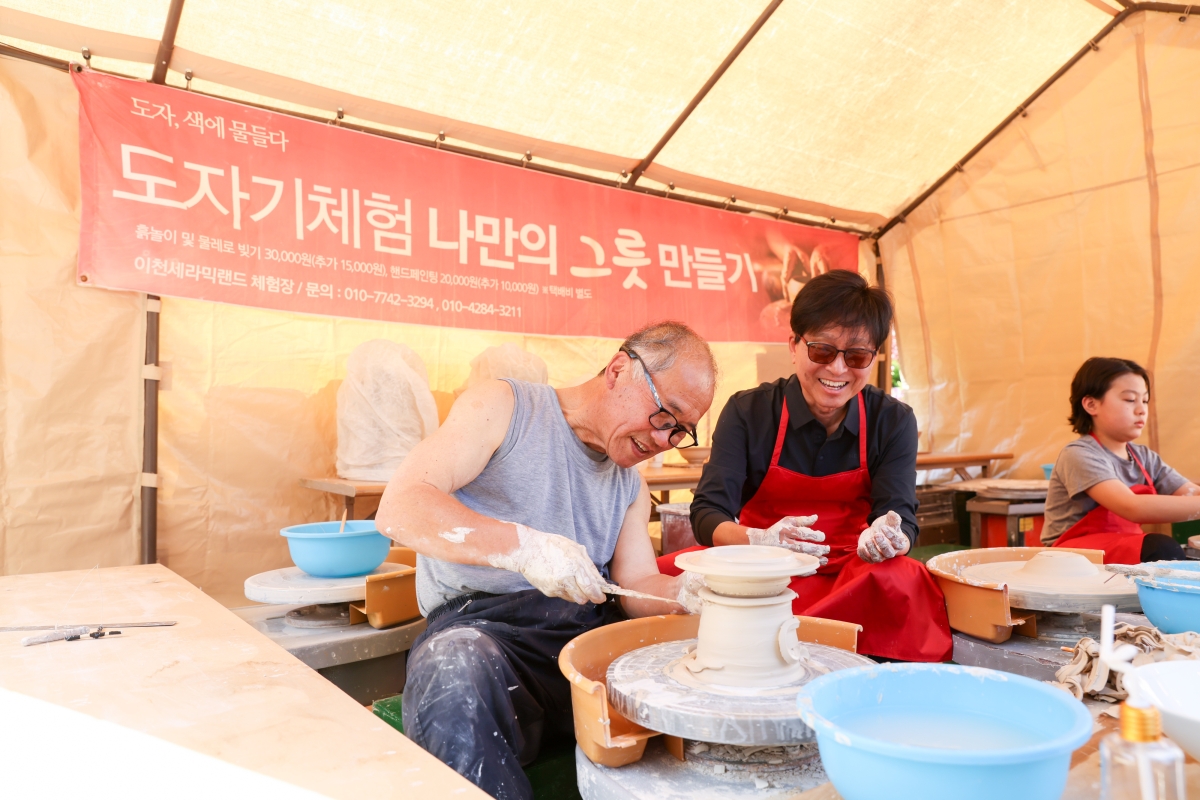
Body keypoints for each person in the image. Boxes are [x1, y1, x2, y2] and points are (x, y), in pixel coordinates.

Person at [375, 321, 714, 800]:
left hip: (585, 644)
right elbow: (403, 504)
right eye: (665, 416)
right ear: (620, 369)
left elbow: (637, 582)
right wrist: (523, 547)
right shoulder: (505, 408)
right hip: (487, 639)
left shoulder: (628, 484)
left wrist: (688, 593)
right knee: (452, 668)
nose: (664, 441)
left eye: (680, 432)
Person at [659, 270, 952, 662]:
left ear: (875, 357)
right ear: (794, 344)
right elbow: (708, 513)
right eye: (822, 351)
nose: (837, 369)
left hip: (852, 571)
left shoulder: (892, 420)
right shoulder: (750, 411)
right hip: (764, 572)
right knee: (659, 579)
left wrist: (889, 536)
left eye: (857, 356)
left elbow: (900, 514)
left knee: (903, 577)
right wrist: (759, 540)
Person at [1043, 357, 1199, 563]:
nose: (1142, 409)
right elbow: (1132, 507)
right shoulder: (1079, 454)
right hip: (1068, 557)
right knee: (1161, 548)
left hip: (1121, 545)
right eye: (1129, 400)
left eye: (1144, 400)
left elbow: (1191, 494)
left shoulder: (1144, 457)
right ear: (1091, 404)